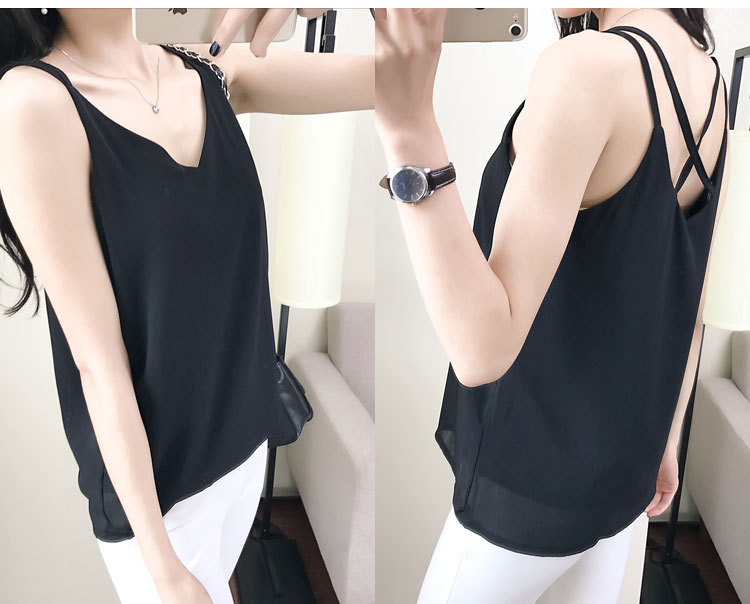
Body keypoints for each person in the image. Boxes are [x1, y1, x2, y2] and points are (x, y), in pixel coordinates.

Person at [0, 8, 373, 604]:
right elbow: (97, 362)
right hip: (159, 500)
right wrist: (164, 569)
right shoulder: (34, 102)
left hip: (243, 453)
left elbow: (398, 77)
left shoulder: (209, 67)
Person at [374, 7, 727, 603]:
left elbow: (480, 352)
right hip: (625, 474)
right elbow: (690, 298)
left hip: (528, 485)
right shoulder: (709, 76)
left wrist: (408, 127)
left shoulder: (588, 67)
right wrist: (666, 439)